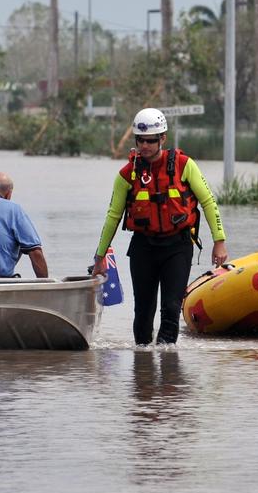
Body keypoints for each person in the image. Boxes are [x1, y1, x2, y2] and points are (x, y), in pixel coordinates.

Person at [92, 107, 227, 345]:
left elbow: (208, 202)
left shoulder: (184, 165)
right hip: (143, 247)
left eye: (150, 141)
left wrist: (219, 241)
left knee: (171, 308)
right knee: (143, 311)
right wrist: (100, 255)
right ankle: (142, 366)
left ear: (162, 138)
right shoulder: (127, 174)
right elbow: (113, 216)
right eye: (140, 140)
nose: (144, 146)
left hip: (178, 246)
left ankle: (168, 367)